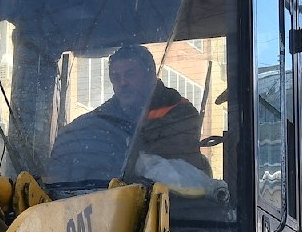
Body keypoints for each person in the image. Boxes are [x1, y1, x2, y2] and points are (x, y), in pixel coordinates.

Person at [47, 44, 211, 188]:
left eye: (130, 74)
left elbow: (158, 163)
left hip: (167, 203)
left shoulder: (179, 111)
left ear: (150, 75)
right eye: (116, 77)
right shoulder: (106, 114)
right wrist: (68, 137)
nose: (123, 83)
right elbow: (83, 129)